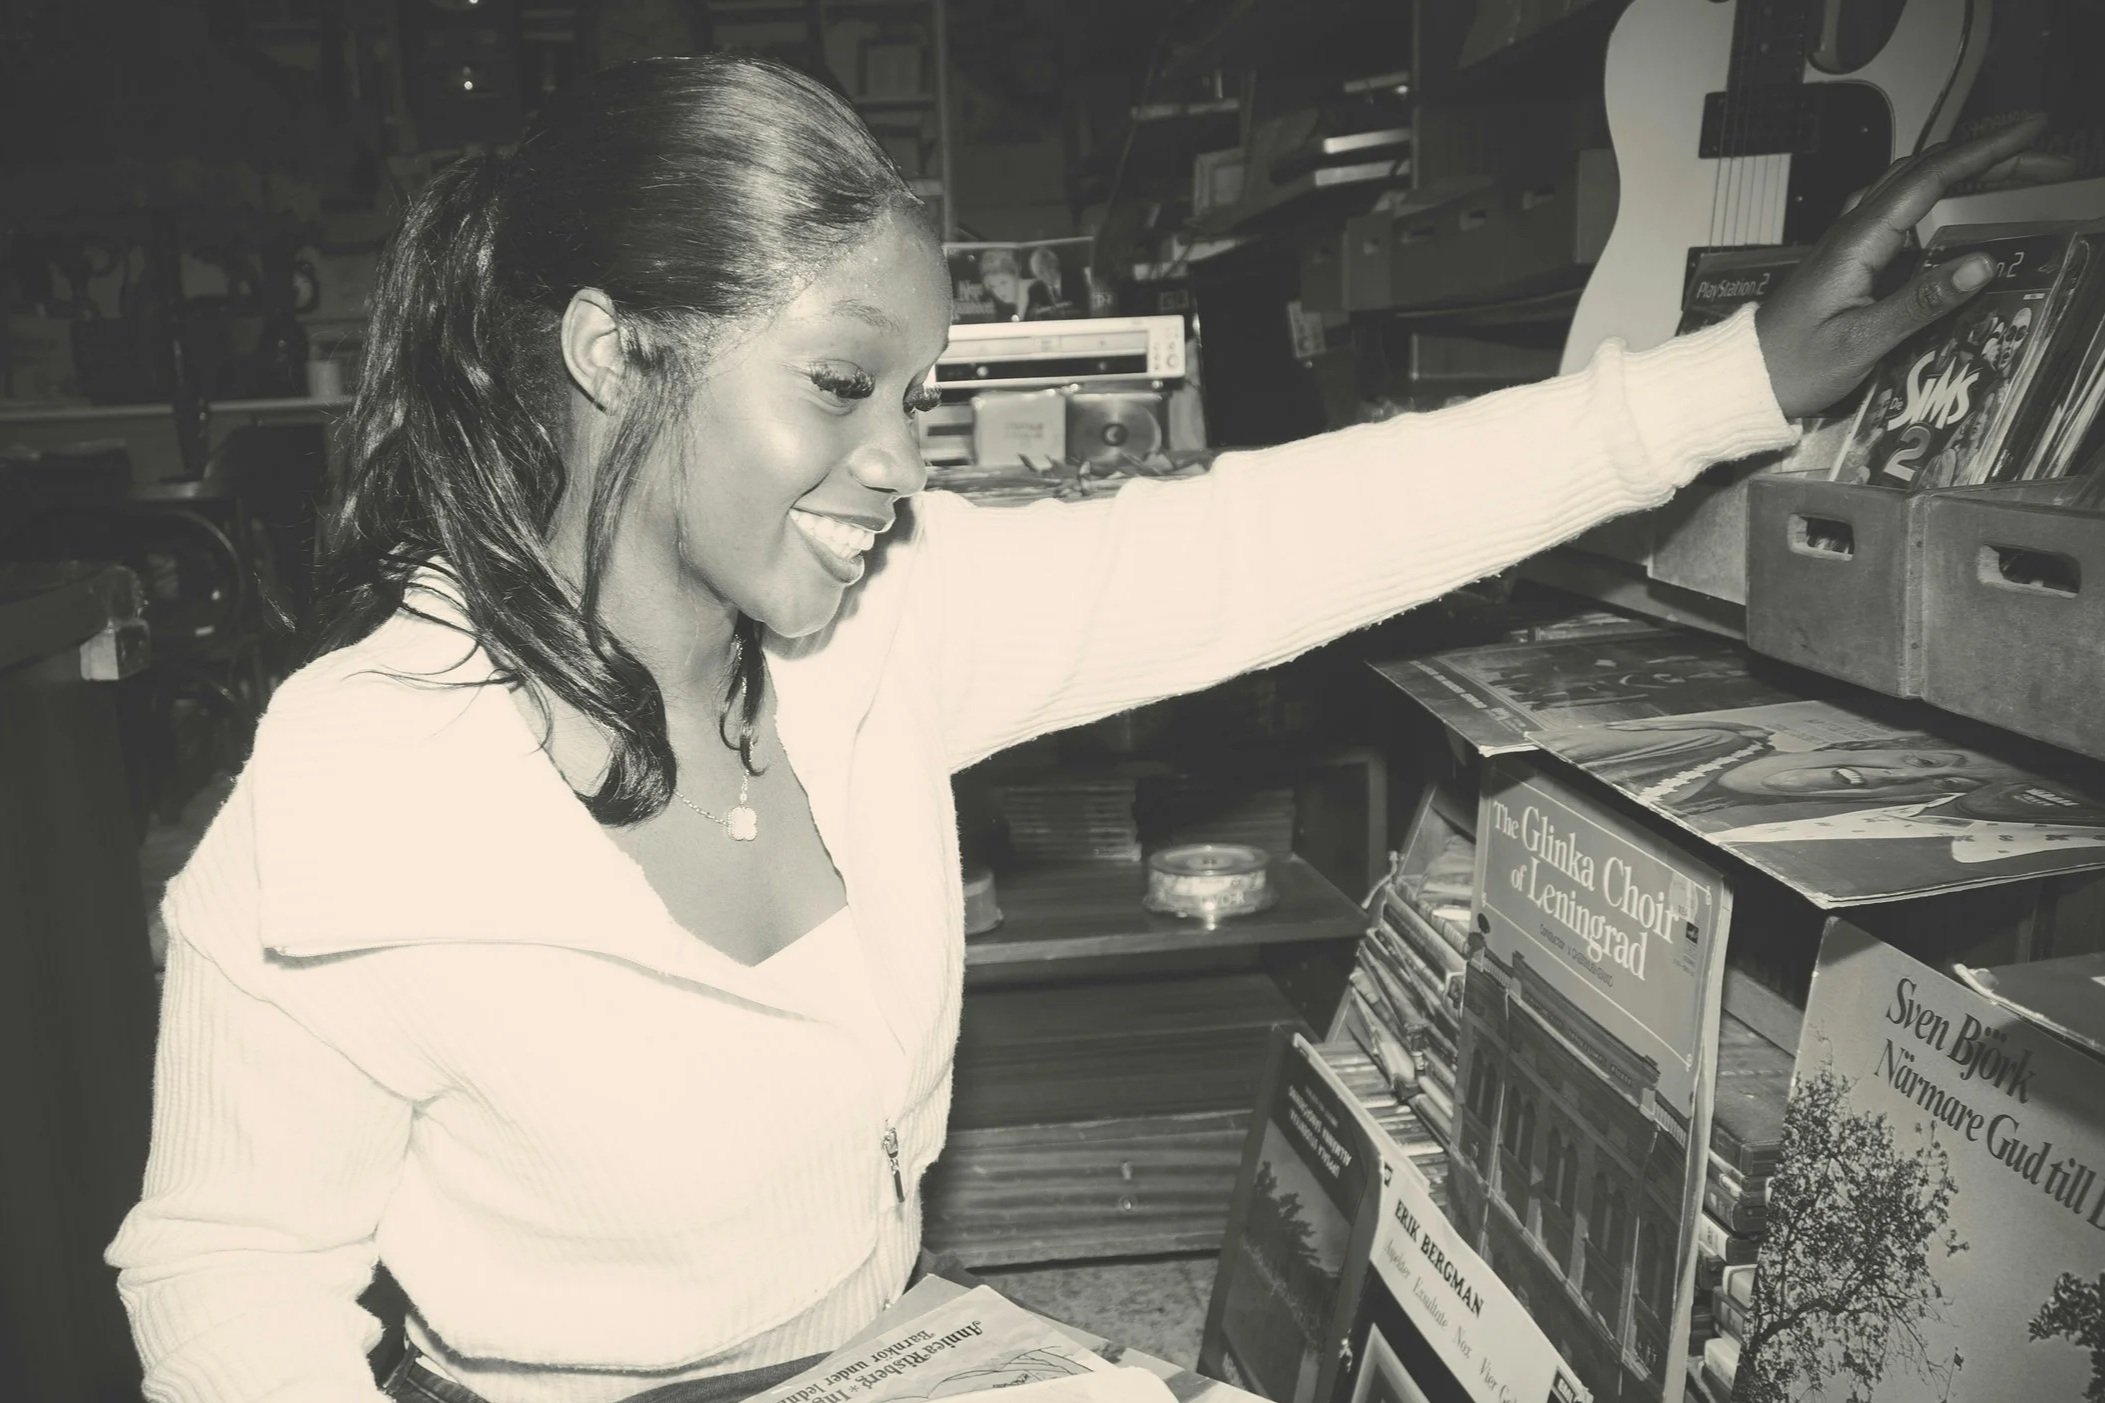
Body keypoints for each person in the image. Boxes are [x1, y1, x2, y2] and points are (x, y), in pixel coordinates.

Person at [105, 53, 2058, 1403]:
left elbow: (1279, 535)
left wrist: (1740, 377)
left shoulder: (881, 630)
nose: (901, 465)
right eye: (843, 388)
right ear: (612, 352)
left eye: (920, 396)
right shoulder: (355, 787)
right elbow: (223, 1274)